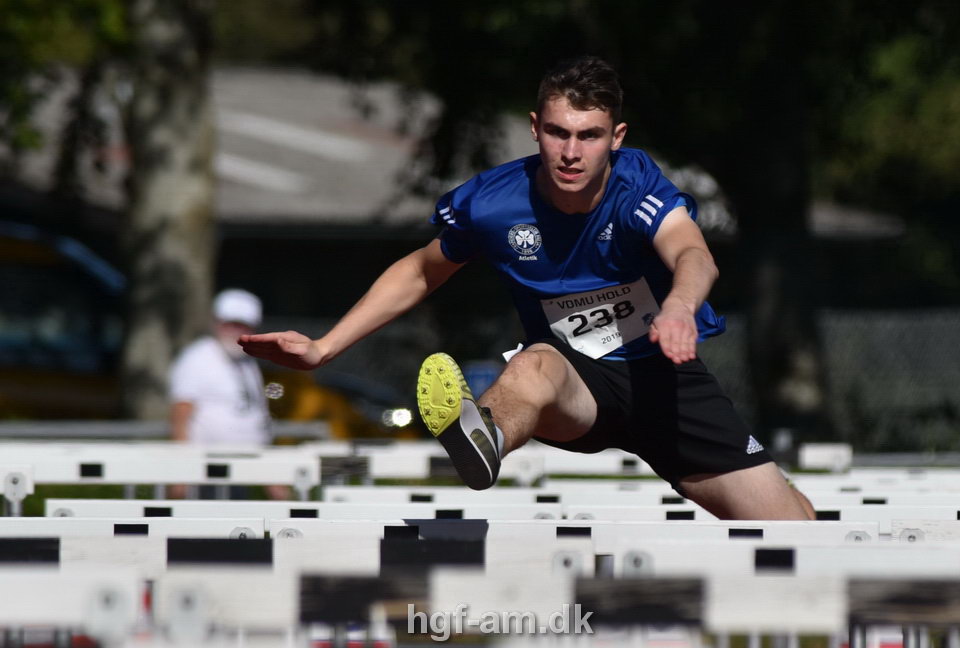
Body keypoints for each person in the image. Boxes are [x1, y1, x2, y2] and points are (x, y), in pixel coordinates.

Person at [240, 56, 814, 520]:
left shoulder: (637, 185)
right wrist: (324, 347)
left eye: (588, 137)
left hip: (662, 377)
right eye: (558, 133)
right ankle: (482, 437)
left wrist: (680, 307)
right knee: (533, 365)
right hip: (576, 382)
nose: (570, 152)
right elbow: (420, 270)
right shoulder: (493, 203)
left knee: (795, 527)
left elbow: (691, 250)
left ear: (615, 137)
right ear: (535, 128)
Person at [170, 288, 288, 499]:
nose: (236, 331)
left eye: (243, 326)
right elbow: (181, 412)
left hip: (244, 467)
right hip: (205, 469)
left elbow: (256, 415)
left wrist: (270, 473)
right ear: (217, 323)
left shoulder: (247, 361)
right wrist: (181, 472)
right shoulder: (198, 357)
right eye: (231, 324)